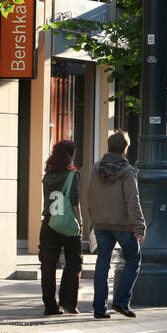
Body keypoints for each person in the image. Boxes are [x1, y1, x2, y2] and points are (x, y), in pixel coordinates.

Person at [88, 131, 145, 319]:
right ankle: (121, 302)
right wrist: (139, 226)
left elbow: (91, 197)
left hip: (101, 224)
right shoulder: (127, 171)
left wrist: (94, 220)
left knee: (102, 264)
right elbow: (132, 200)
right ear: (125, 148)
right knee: (134, 259)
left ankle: (99, 308)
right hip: (122, 225)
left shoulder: (97, 168)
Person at [38, 140, 83, 316]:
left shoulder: (48, 175)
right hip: (67, 222)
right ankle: (69, 302)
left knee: (48, 265)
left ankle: (50, 305)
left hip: (49, 222)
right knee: (74, 263)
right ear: (70, 154)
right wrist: (80, 223)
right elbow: (74, 201)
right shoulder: (73, 174)